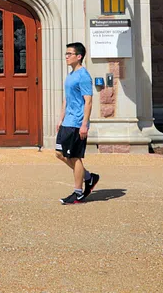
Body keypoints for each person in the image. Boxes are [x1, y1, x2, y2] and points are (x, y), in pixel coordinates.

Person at [56, 41, 99, 205]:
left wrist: (84, 124)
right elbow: (67, 99)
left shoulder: (83, 76)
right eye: (66, 54)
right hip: (67, 121)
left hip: (77, 123)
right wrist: (61, 118)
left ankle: (78, 193)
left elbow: (88, 102)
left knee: (74, 157)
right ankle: (89, 177)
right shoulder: (71, 74)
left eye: (69, 54)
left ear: (79, 56)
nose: (66, 57)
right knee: (59, 154)